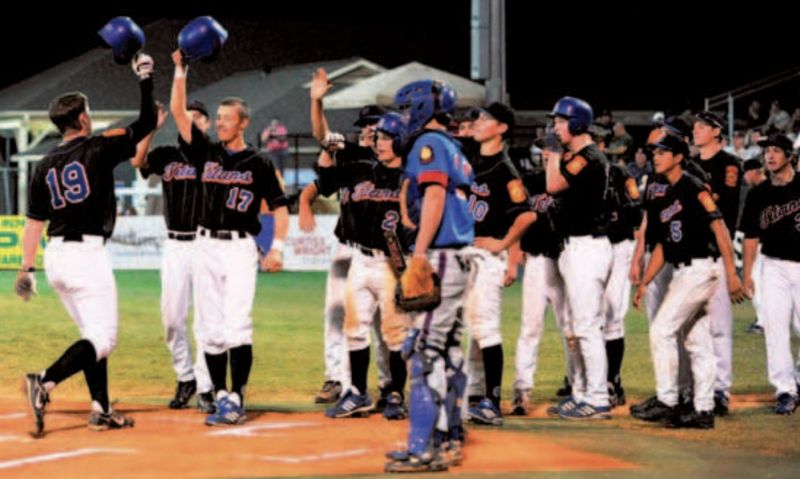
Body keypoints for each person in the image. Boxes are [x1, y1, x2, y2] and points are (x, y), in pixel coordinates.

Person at [18, 53, 156, 436]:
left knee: (92, 336)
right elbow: (144, 123)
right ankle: (43, 382)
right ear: (81, 120)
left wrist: (26, 269)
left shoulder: (44, 165)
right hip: (85, 255)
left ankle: (101, 408)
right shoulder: (97, 147)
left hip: (55, 257)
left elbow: (33, 222)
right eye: (88, 113)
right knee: (102, 337)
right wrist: (145, 77)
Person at [169, 49, 289, 426]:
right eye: (217, 118)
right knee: (210, 328)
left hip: (239, 247)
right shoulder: (205, 152)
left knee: (238, 323)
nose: (218, 124)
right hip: (204, 245)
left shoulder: (259, 162)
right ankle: (220, 394)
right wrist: (179, 71)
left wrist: (277, 248)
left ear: (242, 123)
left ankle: (237, 394)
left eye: (225, 119)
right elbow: (177, 113)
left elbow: (280, 206)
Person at [384, 79, 473, 473]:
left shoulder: (431, 144)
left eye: (407, 109)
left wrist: (418, 254)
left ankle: (425, 449)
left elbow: (434, 196)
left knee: (421, 353)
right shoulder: (453, 146)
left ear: (421, 108)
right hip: (458, 257)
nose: (404, 117)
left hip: (440, 256)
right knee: (450, 352)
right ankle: (450, 438)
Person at [631, 133, 745, 429]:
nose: (655, 156)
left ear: (679, 157)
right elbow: (661, 247)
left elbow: (719, 227)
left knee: (661, 329)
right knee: (697, 341)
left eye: (662, 152)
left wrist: (732, 272)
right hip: (684, 271)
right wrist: (645, 282)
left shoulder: (693, 186)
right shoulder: (662, 195)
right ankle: (703, 410)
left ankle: (668, 400)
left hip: (700, 269)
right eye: (654, 152)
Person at [302, 67, 393, 406]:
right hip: (347, 247)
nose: (369, 132)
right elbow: (322, 136)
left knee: (385, 320)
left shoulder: (394, 161)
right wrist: (317, 102)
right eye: (365, 127)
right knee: (337, 313)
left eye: (376, 127)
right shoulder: (350, 155)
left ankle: (387, 385)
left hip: (383, 252)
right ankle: (336, 379)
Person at [324, 112, 410, 420]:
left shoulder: (409, 178)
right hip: (361, 259)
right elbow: (326, 180)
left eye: (386, 137)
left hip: (394, 265)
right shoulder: (363, 170)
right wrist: (326, 151)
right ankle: (358, 393)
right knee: (355, 328)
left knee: (395, 333)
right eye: (379, 137)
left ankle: (397, 393)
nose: (380, 142)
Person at [131, 99, 215, 413]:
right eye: (187, 116)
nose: (190, 122)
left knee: (205, 322)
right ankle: (186, 376)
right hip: (175, 245)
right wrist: (152, 128)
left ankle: (206, 386)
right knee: (171, 318)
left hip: (205, 243)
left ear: (206, 126)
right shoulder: (167, 155)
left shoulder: (210, 155)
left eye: (198, 118)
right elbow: (138, 162)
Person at [460, 102, 535, 426]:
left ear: (502, 128)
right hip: (468, 253)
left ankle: (491, 400)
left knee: (486, 327)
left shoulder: (506, 169)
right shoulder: (473, 158)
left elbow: (527, 214)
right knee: (473, 325)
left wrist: (504, 246)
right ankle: (476, 393)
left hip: (489, 257)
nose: (477, 122)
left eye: (485, 119)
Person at [545, 96, 614, 420]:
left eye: (560, 121)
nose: (555, 127)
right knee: (575, 325)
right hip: (575, 247)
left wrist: (553, 154)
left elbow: (553, 184)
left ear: (575, 123)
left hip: (588, 248)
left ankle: (598, 398)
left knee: (587, 326)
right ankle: (583, 392)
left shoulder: (590, 155)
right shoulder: (581, 155)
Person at [512, 135, 579, 416]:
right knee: (530, 329)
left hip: (566, 262)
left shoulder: (573, 183)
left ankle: (579, 389)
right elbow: (515, 215)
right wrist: (515, 251)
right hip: (537, 264)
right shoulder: (531, 182)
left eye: (551, 151)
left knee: (572, 330)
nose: (546, 154)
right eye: (544, 151)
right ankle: (521, 392)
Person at [740, 133, 800, 415]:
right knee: (775, 329)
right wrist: (747, 273)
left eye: (776, 150)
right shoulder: (758, 194)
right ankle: (785, 389)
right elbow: (751, 237)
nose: (770, 156)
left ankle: (796, 377)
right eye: (767, 151)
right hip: (773, 266)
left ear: (790, 155)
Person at [692, 111, 742, 416]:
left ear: (716, 132)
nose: (696, 131)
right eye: (695, 126)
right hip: (691, 254)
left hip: (717, 250)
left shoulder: (729, 164)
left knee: (720, 327)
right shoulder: (688, 165)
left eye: (702, 127)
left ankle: (721, 388)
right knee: (693, 327)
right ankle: (698, 387)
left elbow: (725, 209)